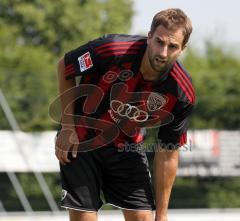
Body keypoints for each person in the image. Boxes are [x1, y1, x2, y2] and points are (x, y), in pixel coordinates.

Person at [55, 8, 195, 221]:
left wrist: (162, 215)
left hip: (126, 145)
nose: (163, 52)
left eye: (172, 46)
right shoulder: (112, 49)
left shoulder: (181, 93)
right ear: (149, 38)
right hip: (82, 138)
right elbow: (65, 66)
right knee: (85, 218)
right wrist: (67, 128)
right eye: (159, 42)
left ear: (182, 49)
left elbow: (168, 153)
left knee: (143, 218)